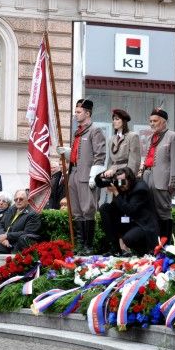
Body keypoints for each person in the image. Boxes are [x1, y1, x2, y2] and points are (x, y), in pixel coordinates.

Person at [56, 99, 106, 254]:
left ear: (87, 113)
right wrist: (68, 152)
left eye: (78, 112)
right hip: (74, 173)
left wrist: (94, 176)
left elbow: (100, 155)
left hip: (87, 176)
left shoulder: (95, 131)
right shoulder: (78, 132)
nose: (76, 114)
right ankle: (80, 244)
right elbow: (79, 155)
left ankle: (88, 246)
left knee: (87, 209)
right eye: (75, 112)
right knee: (76, 211)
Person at [97, 167, 160, 256]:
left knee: (128, 239)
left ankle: (144, 251)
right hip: (128, 221)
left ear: (130, 179)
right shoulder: (120, 183)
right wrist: (103, 174)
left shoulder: (140, 188)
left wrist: (116, 192)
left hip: (142, 224)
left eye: (123, 181)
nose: (120, 185)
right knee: (105, 208)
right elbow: (98, 183)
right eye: (119, 182)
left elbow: (130, 210)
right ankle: (115, 249)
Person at [140, 108, 175, 237]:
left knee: (163, 212)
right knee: (150, 212)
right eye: (150, 121)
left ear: (164, 122)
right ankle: (154, 245)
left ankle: (165, 245)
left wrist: (173, 182)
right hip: (148, 177)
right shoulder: (152, 137)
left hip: (162, 180)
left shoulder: (172, 136)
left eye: (155, 121)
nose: (152, 123)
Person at [104, 109, 142, 181]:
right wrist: (108, 171)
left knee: (123, 191)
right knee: (113, 192)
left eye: (117, 119)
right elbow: (110, 160)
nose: (114, 121)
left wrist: (129, 177)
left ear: (124, 121)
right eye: (113, 119)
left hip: (125, 173)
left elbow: (135, 161)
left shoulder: (132, 136)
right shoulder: (111, 139)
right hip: (112, 174)